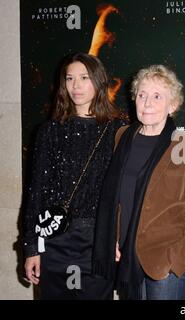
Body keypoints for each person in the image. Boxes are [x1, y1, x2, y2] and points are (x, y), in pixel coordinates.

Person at [92, 64, 185, 300]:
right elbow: (117, 197)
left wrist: (175, 261)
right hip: (127, 257)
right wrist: (114, 238)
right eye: (142, 95)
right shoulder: (122, 137)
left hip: (164, 264)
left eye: (157, 96)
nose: (147, 103)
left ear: (173, 105)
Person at [22, 52, 125, 299]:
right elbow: (37, 192)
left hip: (98, 242)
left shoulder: (117, 130)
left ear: (99, 81)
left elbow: (124, 193)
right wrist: (31, 247)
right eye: (69, 79)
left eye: (84, 78)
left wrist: (119, 237)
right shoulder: (49, 131)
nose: (75, 86)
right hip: (56, 240)